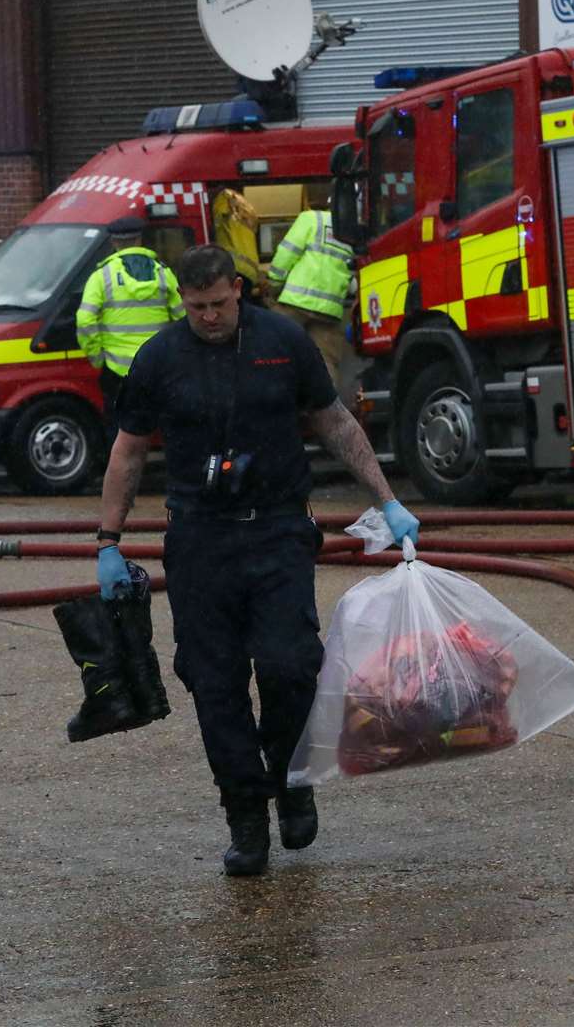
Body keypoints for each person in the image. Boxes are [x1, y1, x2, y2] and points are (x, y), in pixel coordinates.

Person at [94, 244, 419, 878]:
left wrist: (387, 498)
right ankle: (246, 817)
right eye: (196, 308)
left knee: (291, 664)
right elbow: (128, 451)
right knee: (213, 683)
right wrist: (108, 542)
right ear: (182, 302)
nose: (209, 317)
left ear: (237, 289)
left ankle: (292, 780)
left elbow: (334, 421)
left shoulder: (283, 342)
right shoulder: (160, 357)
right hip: (200, 540)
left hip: (275, 531)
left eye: (218, 304)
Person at [76, 216, 182, 426]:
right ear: (139, 239)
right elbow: (183, 318)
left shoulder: (101, 276)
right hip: (158, 368)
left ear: (114, 242)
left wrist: (98, 358)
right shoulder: (164, 273)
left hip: (117, 372)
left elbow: (85, 320)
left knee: (121, 435)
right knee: (169, 429)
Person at [266, 208, 357, 398]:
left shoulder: (311, 218)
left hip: (295, 303)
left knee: (275, 354)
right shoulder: (353, 230)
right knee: (326, 361)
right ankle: (325, 406)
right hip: (329, 311)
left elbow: (287, 252)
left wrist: (274, 282)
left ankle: (278, 400)